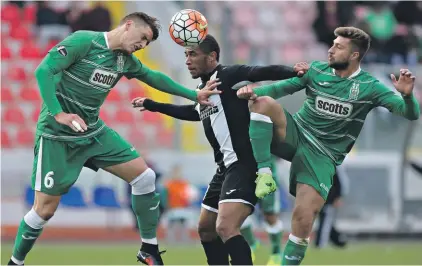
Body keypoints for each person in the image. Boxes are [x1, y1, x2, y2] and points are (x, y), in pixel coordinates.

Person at [7, 12, 220, 266]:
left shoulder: (124, 60)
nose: (142, 46)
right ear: (128, 25)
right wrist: (59, 113)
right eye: (142, 38)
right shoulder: (84, 41)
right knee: (44, 210)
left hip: (93, 132)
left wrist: (193, 95)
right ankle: (15, 262)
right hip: (57, 135)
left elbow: (154, 77)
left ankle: (148, 249)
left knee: (145, 177)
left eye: (147, 43)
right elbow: (44, 71)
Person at [236, 26, 420, 265]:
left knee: (303, 218)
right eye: (332, 44)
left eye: (338, 47)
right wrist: (250, 91)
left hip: (323, 155)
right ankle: (264, 173)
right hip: (297, 134)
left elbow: (410, 114)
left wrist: (407, 96)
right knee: (262, 103)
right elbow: (279, 89)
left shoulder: (370, 86)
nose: (331, 50)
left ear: (354, 55)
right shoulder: (316, 70)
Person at [132, 34, 308, 265]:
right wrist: (153, 105)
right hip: (224, 167)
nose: (187, 60)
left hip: (245, 164)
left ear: (212, 56)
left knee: (225, 227)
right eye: (185, 55)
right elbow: (195, 113)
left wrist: (293, 71)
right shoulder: (202, 89)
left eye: (192, 54)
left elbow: (259, 72)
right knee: (206, 228)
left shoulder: (229, 75)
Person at [240, 156, 284, 265]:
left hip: (268, 176)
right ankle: (251, 244)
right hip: (243, 175)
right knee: (239, 213)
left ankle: (276, 253)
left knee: (270, 216)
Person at [314, 165, 349, 249]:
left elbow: (341, 184)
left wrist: (338, 197)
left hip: (330, 201)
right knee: (326, 222)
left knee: (326, 222)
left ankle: (321, 244)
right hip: (322, 200)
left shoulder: (335, 168)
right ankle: (339, 241)